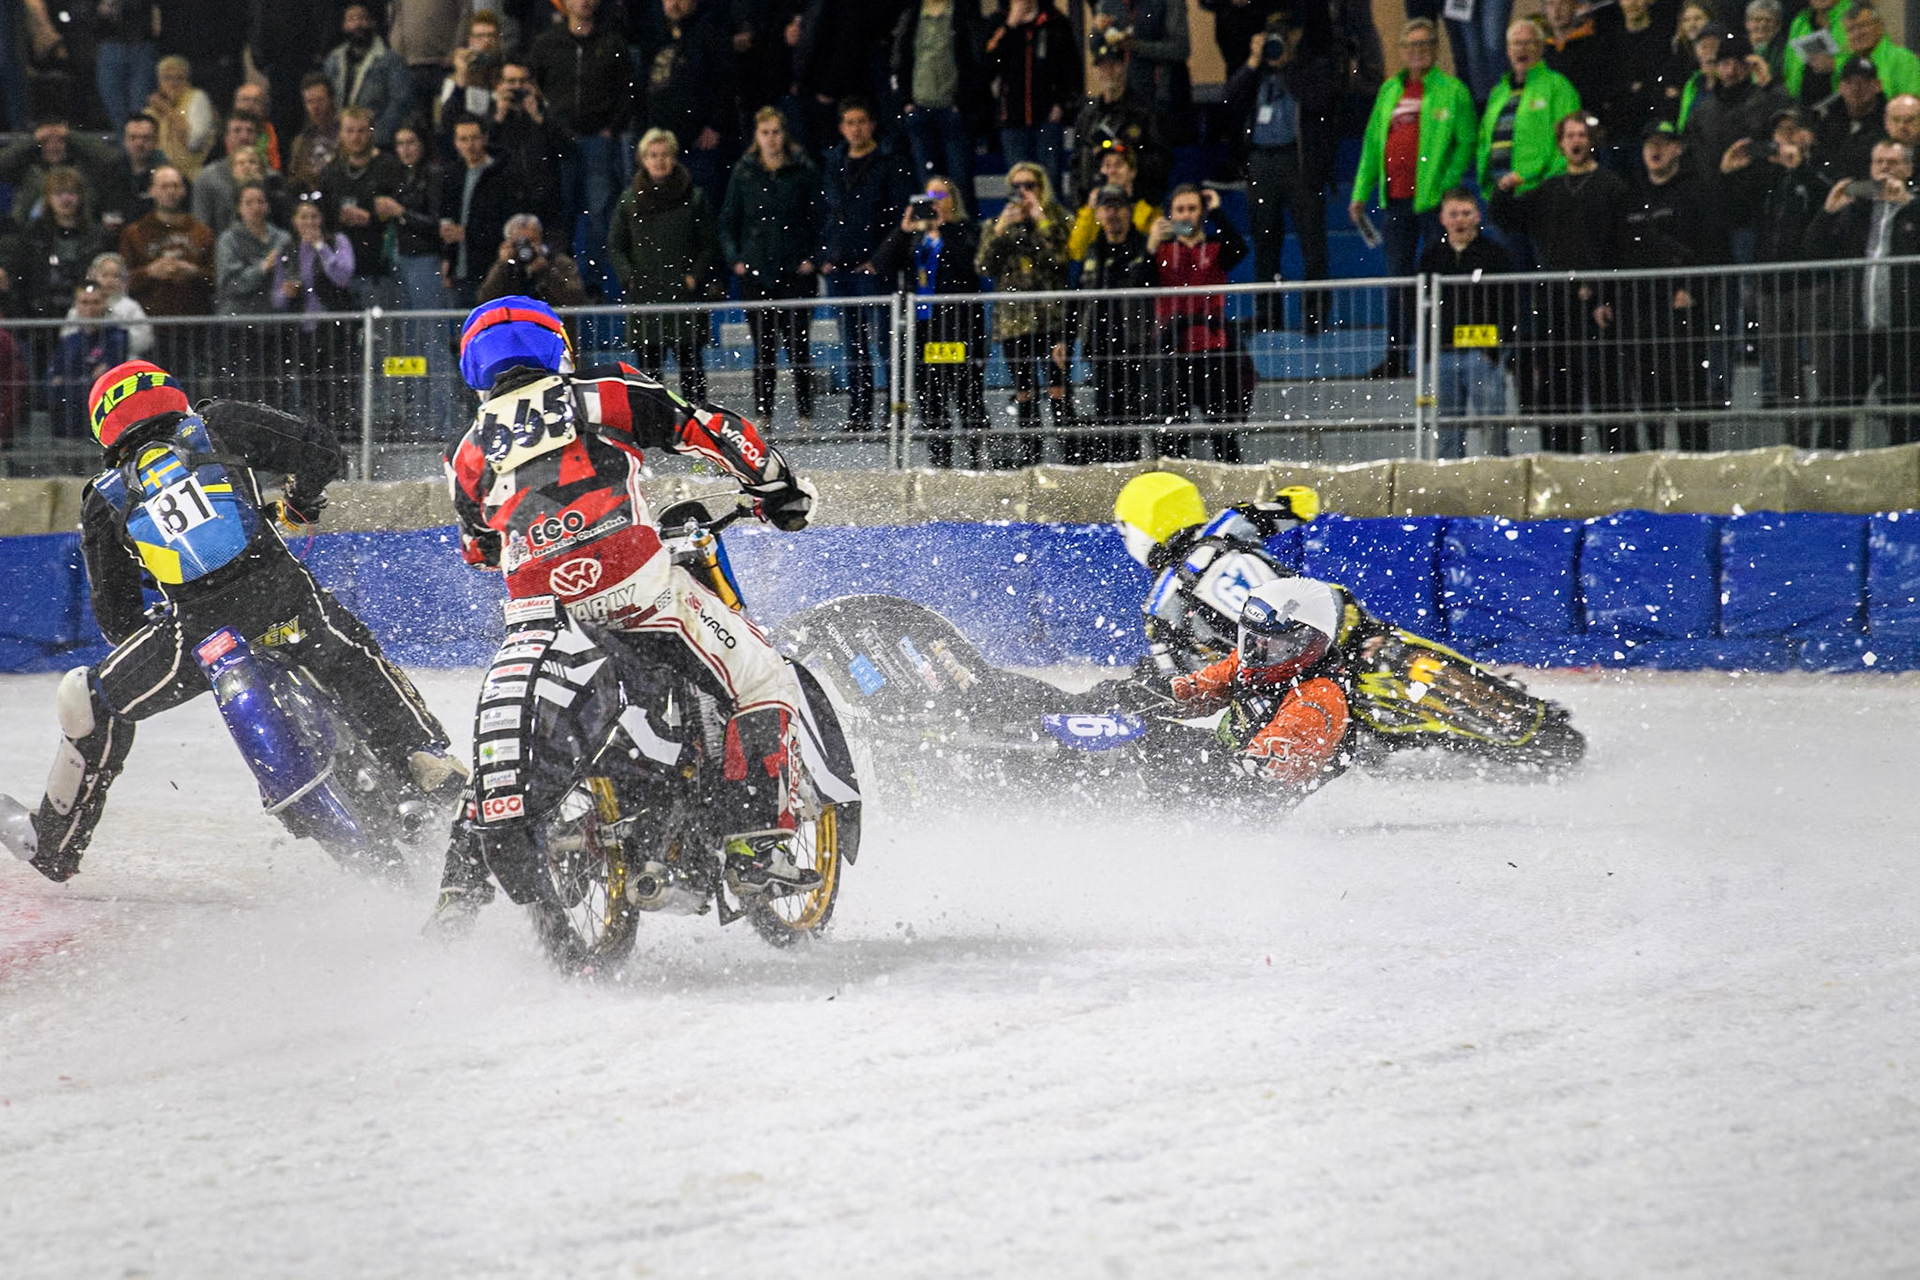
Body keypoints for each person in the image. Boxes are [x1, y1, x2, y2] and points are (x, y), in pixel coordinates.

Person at [430, 296, 818, 931]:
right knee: (760, 676)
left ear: (475, 368)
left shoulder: (465, 455)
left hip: (540, 611)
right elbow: (708, 429)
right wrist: (775, 485)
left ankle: (460, 886)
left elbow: (480, 549)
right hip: (634, 585)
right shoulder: (601, 391)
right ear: (558, 347)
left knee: (518, 724)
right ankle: (755, 846)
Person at [0, 359, 461, 882]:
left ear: (104, 426)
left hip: (196, 636)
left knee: (87, 702)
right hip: (283, 602)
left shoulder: (103, 498)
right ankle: (422, 757)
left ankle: (57, 844)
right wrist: (302, 503)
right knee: (351, 655)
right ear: (170, 395)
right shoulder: (220, 423)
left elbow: (115, 618)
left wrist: (159, 628)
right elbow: (321, 450)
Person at [1488, 113, 1631, 451]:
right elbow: (1509, 220)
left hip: (1598, 310)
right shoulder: (1548, 191)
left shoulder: (1612, 187)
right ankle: (1559, 467)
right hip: (1555, 308)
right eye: (1570, 136)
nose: (1576, 141)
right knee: (1557, 394)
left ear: (1591, 140)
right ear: (1561, 143)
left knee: (1608, 394)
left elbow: (1623, 249)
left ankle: (1619, 467)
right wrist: (1503, 191)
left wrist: (1606, 297)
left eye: (1582, 135)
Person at [1351, 18, 1476, 377]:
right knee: (1399, 282)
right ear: (1402, 51)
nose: (1417, 52)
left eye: (1424, 45)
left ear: (1435, 49)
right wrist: (1360, 192)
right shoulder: (1389, 90)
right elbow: (1372, 146)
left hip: (1435, 203)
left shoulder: (1453, 91)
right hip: (1395, 200)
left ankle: (1442, 353)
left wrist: (1445, 185)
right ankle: (1396, 356)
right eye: (1411, 46)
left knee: (1440, 279)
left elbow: (1466, 142)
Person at [1110, 470, 1321, 677]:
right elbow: (1300, 505)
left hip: (1268, 679)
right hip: (1318, 622)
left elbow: (1176, 678)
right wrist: (1289, 500)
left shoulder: (1159, 605)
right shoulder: (1230, 522)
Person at [1167, 577, 1353, 799]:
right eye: (1252, 639)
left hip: (1253, 799)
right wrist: (1159, 693)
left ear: (1307, 647)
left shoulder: (1319, 698)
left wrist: (1239, 763)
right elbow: (1206, 687)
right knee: (1146, 735)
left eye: (1272, 645)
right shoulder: (1260, 660)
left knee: (1155, 759)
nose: (1256, 650)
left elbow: (1274, 755)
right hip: (1223, 761)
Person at [1722, 107, 1832, 444]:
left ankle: (1827, 437)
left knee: (1824, 366)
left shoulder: (1819, 167)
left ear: (1806, 135)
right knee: (1784, 370)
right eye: (1778, 132)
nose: (1783, 138)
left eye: (1791, 130)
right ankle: (1795, 439)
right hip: (1770, 284)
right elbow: (1735, 214)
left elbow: (1827, 200)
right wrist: (1730, 173)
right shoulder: (1764, 175)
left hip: (1811, 284)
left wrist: (1799, 167)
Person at [1226, 9, 1339, 334]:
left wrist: (1287, 63)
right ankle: (1267, 312)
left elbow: (1319, 98)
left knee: (1312, 244)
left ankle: (1315, 313)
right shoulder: (1256, 71)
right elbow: (1229, 102)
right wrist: (1251, 62)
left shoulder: (1311, 67)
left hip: (1300, 162)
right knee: (1264, 243)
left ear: (1294, 38)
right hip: (1261, 161)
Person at [1802, 139, 1920, 446]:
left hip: (1903, 330)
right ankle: (1826, 479)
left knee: (1904, 415)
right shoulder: (1855, 211)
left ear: (1908, 169)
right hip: (1855, 327)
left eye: (1892, 163)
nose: (1883, 169)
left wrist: (1909, 207)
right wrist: (1828, 213)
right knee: (1835, 410)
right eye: (1878, 162)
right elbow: (1813, 253)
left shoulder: (1914, 207)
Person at [1619, 120, 1725, 451]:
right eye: (1650, 143)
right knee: (1649, 397)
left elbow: (1714, 248)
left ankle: (1696, 463)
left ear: (1678, 148)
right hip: (1642, 312)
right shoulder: (1632, 197)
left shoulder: (1697, 192)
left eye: (1664, 142)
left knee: (1689, 392)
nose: (1655, 149)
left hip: (1683, 313)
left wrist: (1693, 290)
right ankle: (1655, 465)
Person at [870, 176, 987, 467]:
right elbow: (881, 264)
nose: (934, 200)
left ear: (953, 201)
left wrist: (942, 231)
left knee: (965, 394)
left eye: (941, 194)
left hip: (957, 328)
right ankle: (941, 460)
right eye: (929, 195)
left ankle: (977, 457)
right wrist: (903, 230)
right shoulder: (914, 236)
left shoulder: (965, 230)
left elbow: (970, 266)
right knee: (930, 398)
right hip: (923, 329)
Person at [720, 107, 821, 429]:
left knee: (798, 344)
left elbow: (820, 216)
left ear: (785, 133)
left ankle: (805, 413)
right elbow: (727, 221)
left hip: (795, 270)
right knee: (763, 348)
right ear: (756, 135)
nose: (771, 138)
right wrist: (736, 258)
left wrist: (813, 257)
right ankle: (764, 414)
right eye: (765, 132)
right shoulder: (744, 172)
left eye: (776, 131)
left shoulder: (802, 169)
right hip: (756, 270)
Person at [818, 99, 913, 433]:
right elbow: (823, 212)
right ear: (842, 127)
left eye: (861, 121)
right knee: (852, 345)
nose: (855, 128)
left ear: (872, 124)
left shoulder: (890, 163)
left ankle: (895, 410)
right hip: (841, 267)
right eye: (849, 122)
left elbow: (901, 218)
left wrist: (879, 259)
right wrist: (824, 257)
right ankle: (859, 413)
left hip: (875, 267)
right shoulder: (832, 164)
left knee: (886, 344)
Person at [528, 0, 633, 299]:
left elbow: (628, 90)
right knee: (561, 212)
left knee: (600, 212)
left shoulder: (612, 42)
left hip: (598, 139)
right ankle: (562, 281)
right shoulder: (547, 43)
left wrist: (611, 127)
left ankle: (594, 283)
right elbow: (535, 85)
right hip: (558, 140)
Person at [609, 128, 720, 402]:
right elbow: (615, 246)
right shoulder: (629, 200)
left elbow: (709, 244)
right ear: (643, 159)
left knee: (691, 370)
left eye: (665, 155)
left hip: (684, 297)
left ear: (674, 158)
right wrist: (630, 278)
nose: (659, 161)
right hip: (646, 298)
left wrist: (694, 277)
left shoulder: (695, 198)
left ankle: (698, 424)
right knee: (648, 376)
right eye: (653, 155)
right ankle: (653, 428)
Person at [975, 160, 1072, 469]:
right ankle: (1032, 461)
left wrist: (1041, 221)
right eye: (1017, 186)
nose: (1023, 192)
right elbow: (985, 267)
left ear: (1042, 188)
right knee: (1025, 392)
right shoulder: (997, 224)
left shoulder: (1057, 219)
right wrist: (1002, 229)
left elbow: (1058, 258)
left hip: (1051, 318)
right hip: (1014, 322)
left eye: (1030, 185)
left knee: (1058, 389)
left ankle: (1070, 458)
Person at [1149, 184, 1251, 462]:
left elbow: (1240, 249)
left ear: (1201, 214)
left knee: (1223, 433)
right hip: (1173, 353)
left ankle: (1231, 493)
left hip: (1213, 350)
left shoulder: (1216, 247)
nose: (1186, 215)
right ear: (1170, 214)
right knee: (1172, 436)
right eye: (1179, 210)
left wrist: (1217, 210)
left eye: (1192, 209)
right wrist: (1151, 243)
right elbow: (1139, 279)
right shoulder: (1161, 250)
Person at [1418, 189, 1515, 459]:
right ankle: (1449, 491)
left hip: (1483, 353)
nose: (1460, 219)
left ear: (1477, 216)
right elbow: (1419, 306)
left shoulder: (1496, 255)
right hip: (1443, 355)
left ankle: (1501, 486)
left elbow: (1508, 303)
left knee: (1493, 431)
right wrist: (1428, 353)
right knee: (1446, 434)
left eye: (1465, 213)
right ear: (1442, 219)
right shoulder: (1431, 256)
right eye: (1453, 214)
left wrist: (1497, 351)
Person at [1073, 185, 1154, 464]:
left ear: (1129, 212)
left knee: (1134, 411)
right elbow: (1079, 297)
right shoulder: (1094, 250)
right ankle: (1113, 468)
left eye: (1118, 207)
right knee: (1106, 412)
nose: (1112, 214)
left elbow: (1141, 277)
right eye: (1106, 207)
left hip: (1135, 341)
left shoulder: (1142, 245)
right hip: (1099, 343)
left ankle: (1132, 467)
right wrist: (1066, 338)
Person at [632, 0, 736, 203]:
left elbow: (726, 83)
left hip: (697, 143)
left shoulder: (710, 33)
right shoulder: (653, 35)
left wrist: (715, 124)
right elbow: (641, 89)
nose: (675, 3)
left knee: (698, 208)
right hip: (658, 143)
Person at [118, 165, 216, 371]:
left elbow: (216, 279)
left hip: (193, 328)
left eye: (175, 186)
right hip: (150, 330)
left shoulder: (202, 233)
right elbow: (121, 280)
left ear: (183, 190)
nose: (170, 191)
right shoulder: (134, 233)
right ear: (152, 191)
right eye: (164, 186)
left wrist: (194, 273)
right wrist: (149, 273)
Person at [1477, 21, 1583, 205]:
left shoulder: (1557, 86)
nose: (1521, 49)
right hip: (1500, 194)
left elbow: (1572, 140)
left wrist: (1549, 185)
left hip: (1540, 195)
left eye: (1528, 43)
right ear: (1508, 50)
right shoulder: (1498, 93)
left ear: (1541, 48)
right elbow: (1484, 140)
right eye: (1516, 43)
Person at [271, 200, 357, 425]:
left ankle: (338, 425)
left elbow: (343, 276)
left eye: (313, 217)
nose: (309, 222)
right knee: (307, 381)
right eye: (303, 217)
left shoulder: (336, 241)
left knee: (335, 380)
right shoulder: (287, 250)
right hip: (302, 327)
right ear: (294, 221)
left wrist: (321, 247)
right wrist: (285, 293)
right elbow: (276, 297)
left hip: (331, 324)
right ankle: (310, 426)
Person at [891, 0, 991, 193]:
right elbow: (899, 58)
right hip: (919, 109)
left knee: (960, 185)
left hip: (953, 111)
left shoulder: (964, 14)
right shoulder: (911, 15)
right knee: (928, 186)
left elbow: (978, 60)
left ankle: (962, 224)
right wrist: (905, 100)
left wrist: (963, 102)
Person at [313, 106, 407, 309]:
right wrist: (339, 216)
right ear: (341, 134)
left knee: (381, 335)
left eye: (361, 131)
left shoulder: (388, 167)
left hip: (379, 267)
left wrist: (373, 217)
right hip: (340, 270)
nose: (355, 137)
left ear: (371, 132)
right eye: (349, 131)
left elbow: (402, 209)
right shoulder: (331, 171)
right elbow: (322, 214)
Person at [985, 0, 1078, 195]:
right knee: (1019, 183)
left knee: (1049, 182)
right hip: (1012, 117)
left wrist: (1062, 104)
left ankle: (1051, 224)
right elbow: (988, 66)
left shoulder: (1055, 22)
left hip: (1048, 115)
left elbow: (1071, 69)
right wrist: (1010, 26)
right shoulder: (998, 21)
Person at [1068, 36, 1170, 208]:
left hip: (1135, 200)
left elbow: (1162, 161)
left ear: (1124, 67)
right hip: (1094, 203)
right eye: (1103, 67)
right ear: (1097, 71)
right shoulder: (1087, 116)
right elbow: (1077, 164)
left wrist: (1125, 155)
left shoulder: (1145, 112)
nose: (1108, 72)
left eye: (1113, 65)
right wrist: (1079, 204)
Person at [437, 116, 516, 308]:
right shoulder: (452, 176)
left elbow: (507, 225)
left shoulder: (502, 175)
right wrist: (448, 257)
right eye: (463, 139)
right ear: (456, 143)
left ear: (485, 138)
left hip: (491, 270)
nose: (470, 145)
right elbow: (446, 218)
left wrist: (468, 234)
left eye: (474, 138)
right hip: (460, 272)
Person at [17, 167, 112, 319]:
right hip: (40, 319)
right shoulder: (33, 234)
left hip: (86, 317)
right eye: (58, 193)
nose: (65, 199)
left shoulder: (99, 235)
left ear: (81, 197)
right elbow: (20, 279)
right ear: (48, 198)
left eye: (72, 193)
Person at [323, 2, 414, 148]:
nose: (357, 24)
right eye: (351, 19)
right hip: (338, 142)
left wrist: (374, 137)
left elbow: (399, 103)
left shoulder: (391, 60)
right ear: (344, 26)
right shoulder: (332, 61)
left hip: (376, 142)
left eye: (362, 18)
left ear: (372, 22)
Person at [47, 285, 129, 446]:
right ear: (76, 305)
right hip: (68, 422)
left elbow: (107, 380)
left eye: (95, 302)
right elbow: (50, 382)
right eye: (84, 302)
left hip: (103, 423)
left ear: (104, 304)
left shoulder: (116, 338)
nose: (89, 308)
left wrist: (68, 382)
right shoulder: (69, 341)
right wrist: (83, 382)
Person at [476, 214, 590, 316]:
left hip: (552, 331)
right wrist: (502, 267)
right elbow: (484, 301)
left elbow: (576, 300)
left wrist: (545, 272)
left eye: (531, 241)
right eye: (519, 243)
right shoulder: (505, 266)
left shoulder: (560, 262)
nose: (526, 248)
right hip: (513, 332)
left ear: (540, 238)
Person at [1064, 142, 1156, 260]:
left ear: (1132, 172)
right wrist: (1091, 210)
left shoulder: (1149, 209)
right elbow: (1075, 251)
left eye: (1118, 165)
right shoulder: (1094, 208)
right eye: (1107, 165)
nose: (1112, 171)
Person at [1816, 56, 1890, 183]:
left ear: (1877, 85)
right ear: (1841, 87)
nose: (1856, 88)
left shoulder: (1889, 123)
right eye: (1849, 82)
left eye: (1864, 82)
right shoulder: (1827, 121)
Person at [189, 115, 264, 238]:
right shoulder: (207, 178)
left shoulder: (273, 178)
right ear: (226, 138)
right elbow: (201, 226)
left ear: (257, 137)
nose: (244, 137)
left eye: (250, 131)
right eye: (237, 130)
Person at [66, 253, 153, 358]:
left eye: (115, 276)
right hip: (84, 361)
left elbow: (144, 340)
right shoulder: (80, 306)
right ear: (93, 276)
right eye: (104, 275)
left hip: (124, 361)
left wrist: (113, 339)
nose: (110, 281)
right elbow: (67, 336)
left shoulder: (130, 307)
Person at [146, 55, 218, 179]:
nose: (173, 84)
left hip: (193, 176)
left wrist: (168, 111)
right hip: (160, 175)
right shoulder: (152, 110)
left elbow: (193, 142)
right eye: (167, 78)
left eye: (179, 78)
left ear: (188, 81)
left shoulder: (197, 98)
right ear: (159, 82)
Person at [436, 9, 504, 135]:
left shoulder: (509, 73)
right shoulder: (456, 78)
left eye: (491, 35)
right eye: (480, 36)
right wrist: (461, 79)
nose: (486, 41)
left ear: (499, 39)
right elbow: (447, 122)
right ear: (471, 41)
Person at [288, 72, 342, 193]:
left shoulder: (347, 133)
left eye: (320, 100)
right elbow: (293, 178)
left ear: (331, 99)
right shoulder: (300, 141)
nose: (315, 106)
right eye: (310, 101)